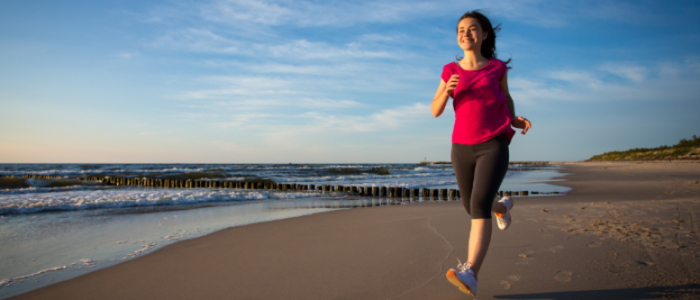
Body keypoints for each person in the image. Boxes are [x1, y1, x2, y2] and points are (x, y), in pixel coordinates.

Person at [430, 11, 531, 296]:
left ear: (484, 35)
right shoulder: (450, 70)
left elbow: (506, 96)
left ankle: (471, 272)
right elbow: (434, 110)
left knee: (478, 206)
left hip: (493, 143)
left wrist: (513, 118)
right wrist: (445, 92)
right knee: (472, 206)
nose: (465, 33)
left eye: (472, 29)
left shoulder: (497, 68)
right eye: (461, 30)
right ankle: (503, 208)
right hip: (461, 147)